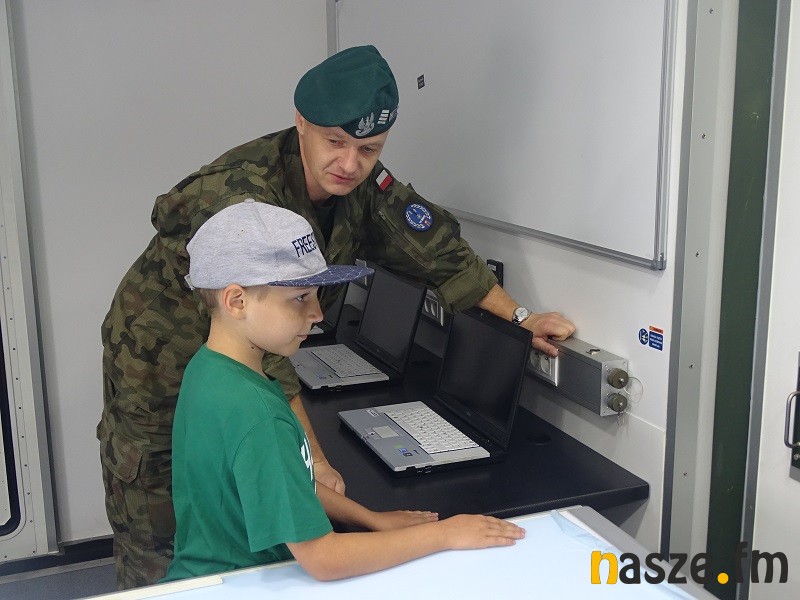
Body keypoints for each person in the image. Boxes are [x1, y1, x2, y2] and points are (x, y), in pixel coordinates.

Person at [99, 44, 574, 589]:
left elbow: (434, 248)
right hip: (156, 367)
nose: (350, 164)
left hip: (231, 361)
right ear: (301, 123)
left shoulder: (358, 184)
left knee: (231, 518)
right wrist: (316, 461)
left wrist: (520, 316)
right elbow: (269, 361)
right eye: (335, 142)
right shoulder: (241, 200)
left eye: (369, 149)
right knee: (160, 533)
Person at [160, 201, 525, 582]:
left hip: (202, 574)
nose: (317, 314)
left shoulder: (210, 369)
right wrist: (445, 534)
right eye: (300, 297)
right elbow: (324, 559)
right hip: (238, 583)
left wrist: (370, 519)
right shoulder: (257, 415)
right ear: (237, 301)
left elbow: (288, 482)